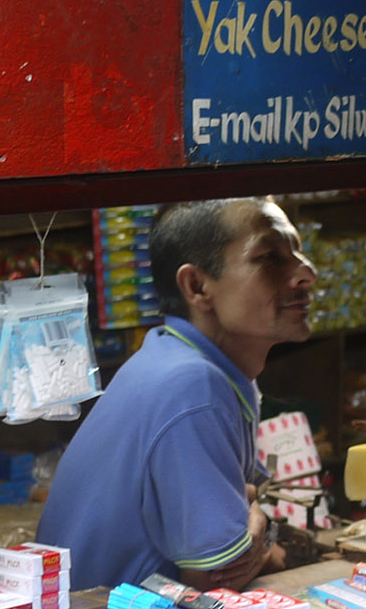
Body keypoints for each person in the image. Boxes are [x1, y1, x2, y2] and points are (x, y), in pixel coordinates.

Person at [37, 197, 317, 589]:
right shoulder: (192, 386)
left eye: (298, 251)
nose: (306, 274)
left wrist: (255, 536)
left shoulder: (192, 362)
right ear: (197, 286)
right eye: (270, 257)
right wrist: (252, 536)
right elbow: (216, 577)